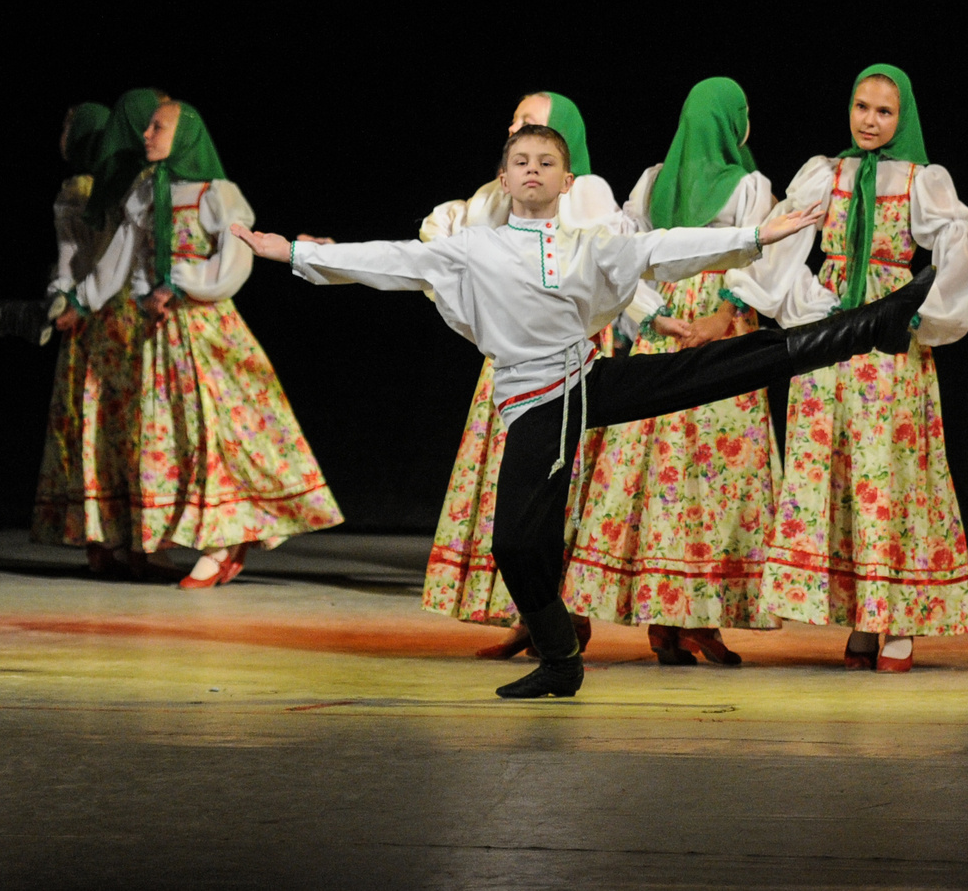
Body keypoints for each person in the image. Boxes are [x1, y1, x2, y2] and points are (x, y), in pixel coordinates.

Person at [233, 121, 928, 698]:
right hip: (535, 400)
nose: (532, 170)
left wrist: (755, 238)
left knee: (727, 366)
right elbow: (386, 260)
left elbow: (663, 249)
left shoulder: (586, 245)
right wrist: (291, 252)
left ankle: (875, 325)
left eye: (546, 162)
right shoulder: (469, 250)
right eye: (520, 161)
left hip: (577, 385)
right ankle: (562, 655)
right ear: (503, 178)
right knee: (516, 545)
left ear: (568, 183)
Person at [739, 65, 968, 672]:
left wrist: (916, 315)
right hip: (830, 335)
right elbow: (784, 241)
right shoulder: (827, 173)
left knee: (888, 474)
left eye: (884, 112)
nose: (870, 121)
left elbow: (956, 247)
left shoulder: (922, 181)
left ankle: (896, 621)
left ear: (903, 119)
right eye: (862, 107)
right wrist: (808, 303)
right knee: (837, 470)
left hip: (884, 335)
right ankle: (860, 618)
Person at [74, 90, 343, 588]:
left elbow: (233, 263)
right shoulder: (144, 190)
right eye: (148, 127)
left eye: (159, 127)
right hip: (160, 337)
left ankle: (224, 540)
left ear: (185, 136)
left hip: (206, 330)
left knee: (216, 432)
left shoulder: (218, 194)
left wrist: (179, 283)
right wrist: (81, 300)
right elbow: (120, 257)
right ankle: (181, 537)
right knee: (168, 436)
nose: (147, 135)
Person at [575, 77, 781, 666]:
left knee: (662, 472)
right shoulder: (750, 185)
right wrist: (722, 315)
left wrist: (656, 315)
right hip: (714, 326)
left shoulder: (650, 181)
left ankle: (670, 623)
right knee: (709, 473)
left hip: (664, 324)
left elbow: (628, 256)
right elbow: (758, 255)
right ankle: (693, 621)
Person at [416, 92, 624, 658]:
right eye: (515, 121)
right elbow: (445, 226)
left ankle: (563, 614)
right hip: (513, 356)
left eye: (529, 122)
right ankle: (530, 613)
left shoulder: (589, 194)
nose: (515, 127)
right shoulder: (494, 195)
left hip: (567, 356)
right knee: (513, 490)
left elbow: (614, 261)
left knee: (566, 487)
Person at [32, 102, 157, 575]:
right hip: (127, 315)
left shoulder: (81, 189)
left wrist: (62, 300)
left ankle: (100, 542)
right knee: (127, 426)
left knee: (93, 423)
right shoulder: (127, 186)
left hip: (91, 315)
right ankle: (137, 544)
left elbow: (69, 264)